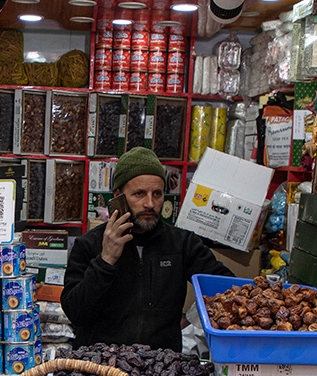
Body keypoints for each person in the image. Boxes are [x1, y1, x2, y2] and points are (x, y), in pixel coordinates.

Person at [61, 147, 233, 352]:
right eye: (139, 194)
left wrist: (193, 318)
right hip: (99, 367)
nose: (150, 203)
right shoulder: (89, 244)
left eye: (157, 194)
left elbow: (227, 289)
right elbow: (76, 312)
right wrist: (105, 260)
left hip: (159, 370)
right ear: (118, 196)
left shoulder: (182, 244)